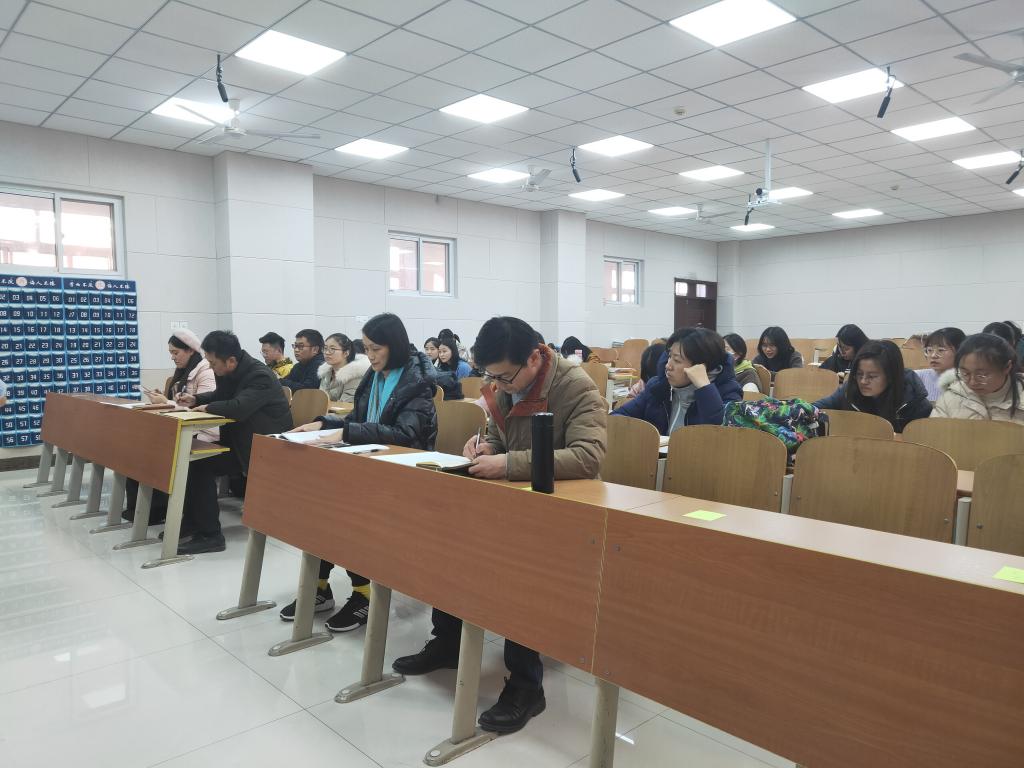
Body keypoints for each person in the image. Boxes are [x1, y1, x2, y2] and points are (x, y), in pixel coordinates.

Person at [392, 316, 607, 735]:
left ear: (534, 358)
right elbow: (503, 436)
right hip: (515, 498)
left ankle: (527, 685)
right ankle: (448, 642)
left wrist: (507, 463)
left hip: (564, 507)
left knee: (518, 570)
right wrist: (487, 445)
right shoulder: (507, 381)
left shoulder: (576, 387)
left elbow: (587, 457)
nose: (498, 385)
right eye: (490, 377)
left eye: (504, 377)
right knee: (449, 545)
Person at [281, 313, 437, 631]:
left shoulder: (417, 382)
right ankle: (319, 588)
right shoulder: (374, 375)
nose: (371, 355)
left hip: (404, 472)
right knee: (319, 506)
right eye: (366, 348)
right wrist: (323, 423)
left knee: (348, 512)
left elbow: (406, 435)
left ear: (394, 346)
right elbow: (358, 418)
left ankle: (364, 594)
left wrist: (348, 432)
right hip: (369, 465)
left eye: (376, 348)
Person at [176, 331, 293, 554]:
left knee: (201, 465)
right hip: (242, 442)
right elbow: (221, 396)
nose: (211, 368)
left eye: (213, 363)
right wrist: (196, 399)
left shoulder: (260, 376)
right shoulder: (228, 370)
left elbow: (239, 407)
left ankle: (211, 535)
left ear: (230, 360)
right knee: (192, 461)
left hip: (264, 448)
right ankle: (194, 523)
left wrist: (207, 407)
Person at [123, 329, 216, 525]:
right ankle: (142, 508)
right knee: (135, 448)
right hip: (182, 428)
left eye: (176, 352)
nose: (173, 357)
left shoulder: (206, 373)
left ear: (190, 350)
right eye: (171, 353)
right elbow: (180, 405)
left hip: (202, 432)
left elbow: (202, 412)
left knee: (157, 450)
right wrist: (163, 399)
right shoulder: (182, 372)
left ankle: (157, 509)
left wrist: (166, 402)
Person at [613, 328, 741, 432]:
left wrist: (704, 388)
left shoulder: (728, 392)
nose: (668, 366)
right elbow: (618, 417)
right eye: (669, 357)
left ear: (701, 366)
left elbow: (720, 434)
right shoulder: (658, 386)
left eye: (677, 360)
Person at [814, 340, 931, 433]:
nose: (863, 381)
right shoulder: (848, 391)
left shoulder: (916, 403)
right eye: (859, 374)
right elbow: (815, 408)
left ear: (891, 376)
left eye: (872, 376)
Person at [932, 333, 1024, 423]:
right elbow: (935, 430)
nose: (972, 382)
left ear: (1007, 367)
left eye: (982, 375)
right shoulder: (951, 397)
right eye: (965, 373)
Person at [915, 327, 965, 402]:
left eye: (941, 350)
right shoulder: (917, 377)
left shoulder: (968, 380)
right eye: (929, 350)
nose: (933, 355)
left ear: (959, 351)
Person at [318, 333, 370, 403]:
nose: (327, 352)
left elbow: (346, 404)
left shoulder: (354, 374)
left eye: (332, 349)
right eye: (325, 348)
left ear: (346, 353)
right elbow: (320, 399)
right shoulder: (326, 372)